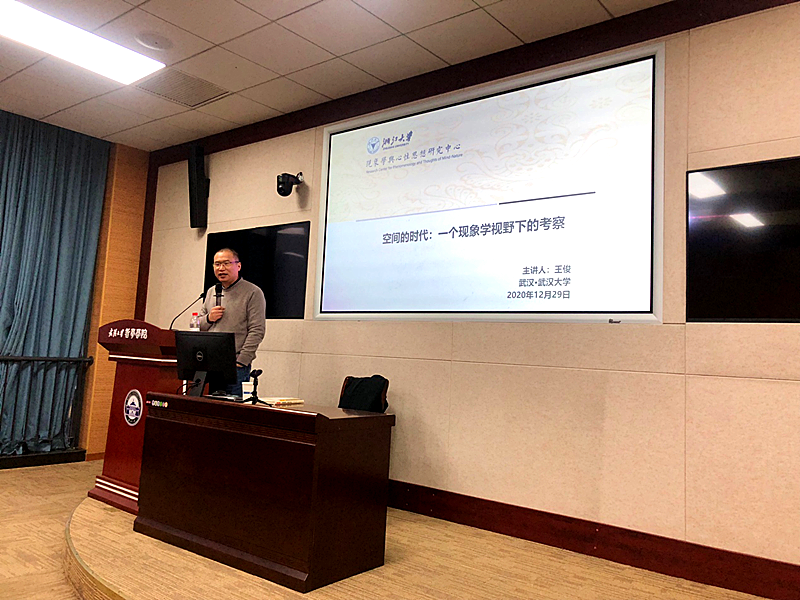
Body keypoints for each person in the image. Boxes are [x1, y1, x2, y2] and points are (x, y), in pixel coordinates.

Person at [198, 248, 266, 396]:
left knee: (231, 407)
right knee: (207, 407)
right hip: (209, 363)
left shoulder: (252, 292)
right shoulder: (211, 291)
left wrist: (242, 361)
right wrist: (209, 318)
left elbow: (257, 330)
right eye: (217, 264)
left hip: (235, 366)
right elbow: (198, 325)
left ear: (238, 266)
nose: (221, 268)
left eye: (226, 263)